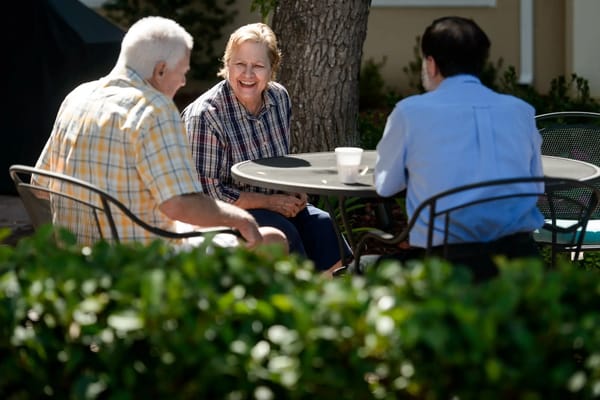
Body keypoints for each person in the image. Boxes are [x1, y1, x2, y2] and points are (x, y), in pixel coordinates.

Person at [34, 16, 287, 252]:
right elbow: (179, 205)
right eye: (183, 72)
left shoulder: (77, 97)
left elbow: (39, 187)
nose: (184, 83)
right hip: (145, 257)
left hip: (78, 252)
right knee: (273, 239)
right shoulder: (154, 109)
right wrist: (241, 218)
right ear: (161, 70)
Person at [373, 16, 544, 281]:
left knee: (358, 268)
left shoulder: (410, 113)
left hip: (447, 267)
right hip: (521, 262)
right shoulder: (521, 111)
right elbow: (536, 187)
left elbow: (385, 185)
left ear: (431, 64)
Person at [181, 22, 351, 275]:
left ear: (272, 69)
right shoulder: (206, 115)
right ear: (227, 64)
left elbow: (279, 162)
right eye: (239, 64)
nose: (248, 74)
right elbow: (208, 194)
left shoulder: (278, 98)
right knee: (286, 232)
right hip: (222, 214)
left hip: (274, 202)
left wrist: (293, 191)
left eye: (258, 66)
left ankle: (336, 298)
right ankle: (299, 302)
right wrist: (271, 202)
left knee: (323, 224)